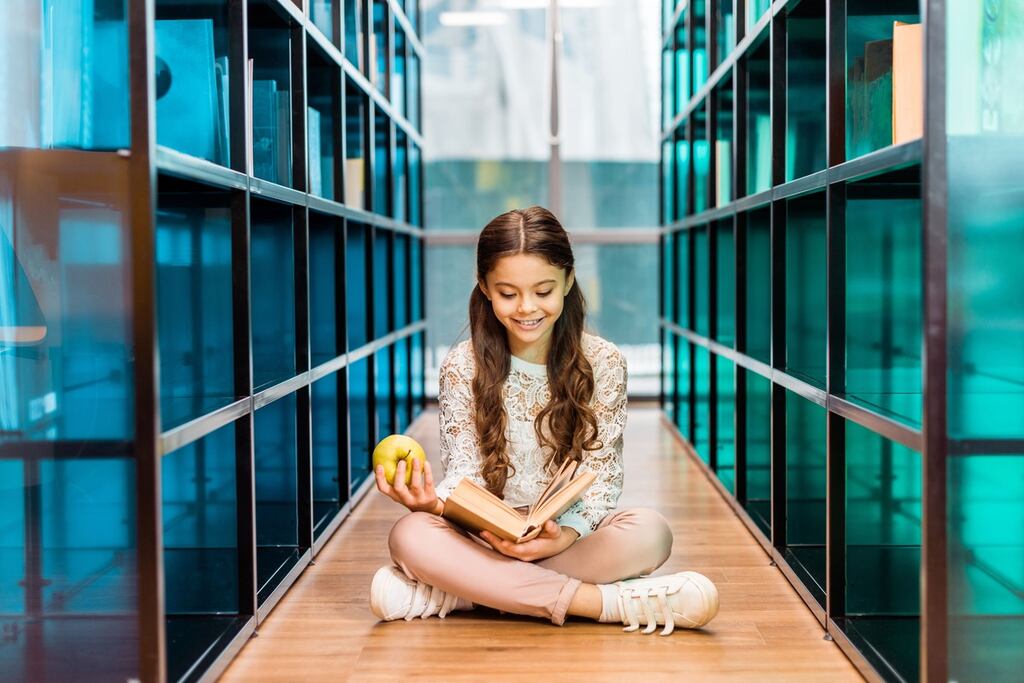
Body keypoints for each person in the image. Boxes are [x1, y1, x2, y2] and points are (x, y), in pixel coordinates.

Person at [368, 206, 718, 635]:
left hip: (565, 538)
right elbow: (465, 477)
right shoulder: (463, 366)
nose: (527, 308)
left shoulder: (604, 362)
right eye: (508, 293)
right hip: (483, 539)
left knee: (651, 532)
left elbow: (602, 478)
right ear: (485, 288)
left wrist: (564, 536)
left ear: (569, 281)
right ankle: (606, 603)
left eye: (544, 290)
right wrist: (429, 505)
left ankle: (462, 593)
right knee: (410, 533)